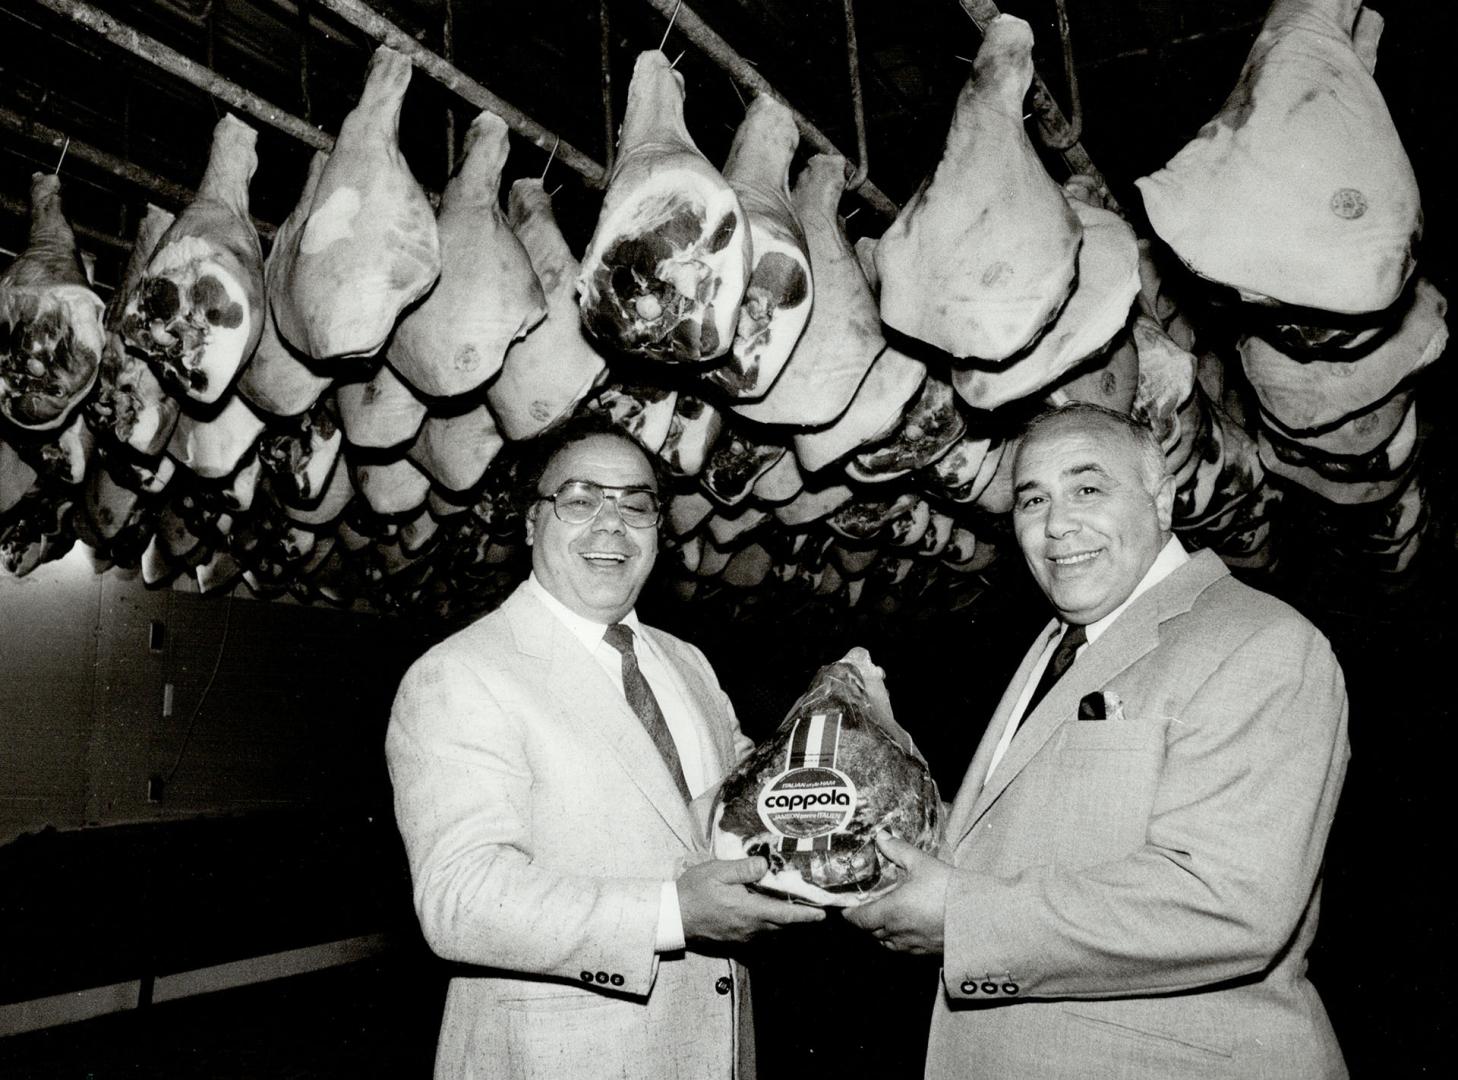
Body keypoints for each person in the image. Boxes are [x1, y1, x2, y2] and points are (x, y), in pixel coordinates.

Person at [846, 402, 1350, 1079]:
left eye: (1088, 488)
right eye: (1033, 500)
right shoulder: (1061, 643)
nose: (1057, 526)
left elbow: (1227, 903)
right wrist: (880, 748)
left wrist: (962, 919)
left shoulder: (1258, 641)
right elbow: (1017, 839)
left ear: (1162, 498)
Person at [386, 413, 823, 1079]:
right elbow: (460, 899)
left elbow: (749, 803)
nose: (611, 526)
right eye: (581, 500)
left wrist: (839, 727)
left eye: (637, 505)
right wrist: (675, 913)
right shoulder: (463, 673)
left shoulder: (687, 663)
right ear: (532, 523)